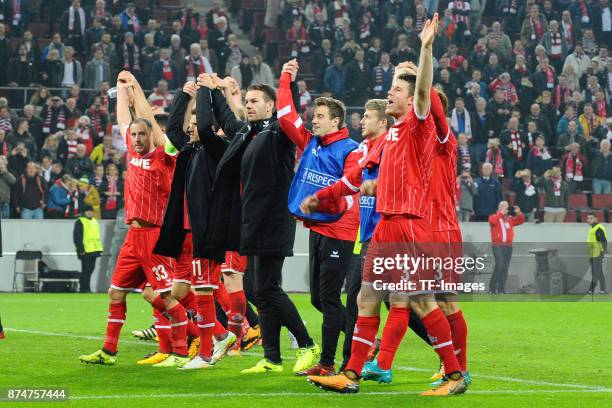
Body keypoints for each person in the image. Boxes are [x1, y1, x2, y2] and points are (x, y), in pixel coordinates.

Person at [308, 14, 468, 396]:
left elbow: (425, 93)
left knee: (423, 299)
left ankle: (455, 374)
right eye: (391, 87)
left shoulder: (417, 123)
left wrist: (426, 49)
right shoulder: (391, 134)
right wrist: (339, 193)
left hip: (414, 226)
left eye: (396, 88)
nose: (389, 93)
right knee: (367, 295)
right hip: (387, 226)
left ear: (412, 98)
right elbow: (365, 179)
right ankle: (351, 375)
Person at [204, 71, 318, 374]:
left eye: (255, 101)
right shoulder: (248, 133)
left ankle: (307, 344)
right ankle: (272, 358)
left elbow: (288, 111)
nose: (249, 105)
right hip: (252, 222)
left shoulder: (279, 131)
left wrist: (285, 82)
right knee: (257, 288)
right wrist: (215, 90)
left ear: (271, 106)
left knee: (267, 287)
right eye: (248, 100)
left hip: (273, 220)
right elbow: (228, 120)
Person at [79, 71, 190, 367]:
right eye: (135, 135)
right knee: (116, 292)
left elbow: (148, 122)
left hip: (154, 237)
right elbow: (124, 123)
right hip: (133, 237)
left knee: (166, 298)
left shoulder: (165, 158)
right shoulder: (132, 151)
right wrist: (119, 90)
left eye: (143, 135)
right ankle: (109, 351)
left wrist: (137, 90)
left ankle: (181, 351)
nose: (138, 138)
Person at [278, 59, 359, 375]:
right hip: (318, 228)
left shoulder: (351, 149)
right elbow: (286, 116)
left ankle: (328, 363)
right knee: (317, 299)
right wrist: (287, 78)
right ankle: (362, 339)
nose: (314, 121)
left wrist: (320, 198)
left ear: (336, 121)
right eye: (314, 116)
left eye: (320, 117)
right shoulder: (311, 143)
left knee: (327, 299)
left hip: (339, 230)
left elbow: (350, 185)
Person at [152, 79, 237, 369]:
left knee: (202, 291)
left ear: (209, 127)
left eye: (196, 122)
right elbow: (173, 130)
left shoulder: (218, 148)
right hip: (185, 234)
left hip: (206, 232)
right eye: (190, 123)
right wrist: (182, 96)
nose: (190, 128)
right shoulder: (190, 151)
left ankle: (205, 353)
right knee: (184, 291)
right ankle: (221, 334)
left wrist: (204, 91)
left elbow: (202, 129)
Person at [489, 201, 525, 294]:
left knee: (505, 267)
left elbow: (520, 221)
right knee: (499, 265)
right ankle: (492, 288)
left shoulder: (510, 219)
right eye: (504, 207)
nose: (506, 209)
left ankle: (501, 288)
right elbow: (493, 221)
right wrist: (500, 213)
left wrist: (519, 213)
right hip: (498, 246)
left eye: (507, 207)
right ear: (500, 208)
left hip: (508, 246)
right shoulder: (493, 217)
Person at [73, 204, 103, 293]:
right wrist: (80, 249)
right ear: (84, 212)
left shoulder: (94, 221)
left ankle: (87, 288)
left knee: (90, 270)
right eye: (88, 211)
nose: (90, 213)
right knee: (86, 270)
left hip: (94, 250)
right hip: (85, 250)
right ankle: (83, 288)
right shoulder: (80, 221)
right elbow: (77, 237)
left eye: (91, 211)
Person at [586, 213, 607, 295]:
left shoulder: (598, 228)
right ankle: (602, 289)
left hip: (598, 253)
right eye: (588, 218)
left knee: (595, 272)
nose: (589, 220)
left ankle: (591, 290)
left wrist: (602, 252)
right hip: (593, 252)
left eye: (591, 218)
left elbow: (603, 241)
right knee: (598, 271)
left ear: (596, 219)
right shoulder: (593, 228)